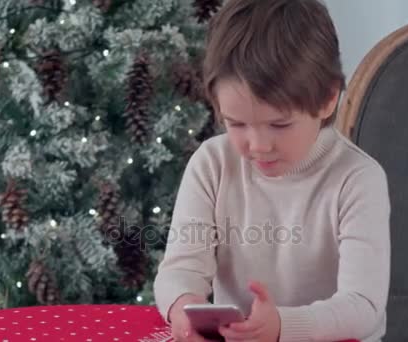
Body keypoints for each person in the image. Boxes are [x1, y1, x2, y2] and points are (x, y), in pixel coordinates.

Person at [153, 0, 391, 341]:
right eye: (236, 123)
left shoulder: (358, 180)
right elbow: (181, 269)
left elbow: (363, 306)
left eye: (279, 125)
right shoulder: (212, 165)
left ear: (327, 99)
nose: (258, 145)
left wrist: (281, 325)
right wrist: (183, 307)